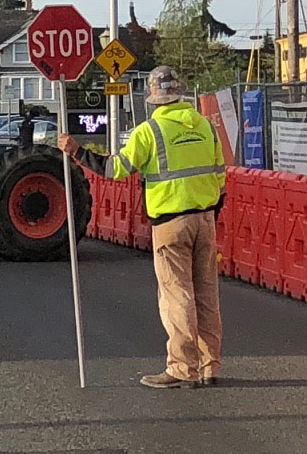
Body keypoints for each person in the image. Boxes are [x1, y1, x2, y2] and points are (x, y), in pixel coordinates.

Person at [60, 65, 224, 388]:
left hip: (170, 224)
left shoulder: (149, 132)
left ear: (153, 98)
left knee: (177, 295)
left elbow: (115, 168)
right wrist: (210, 215)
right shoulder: (206, 127)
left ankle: (181, 368)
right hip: (205, 220)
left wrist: (76, 151)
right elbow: (220, 177)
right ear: (179, 93)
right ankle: (210, 365)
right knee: (206, 294)